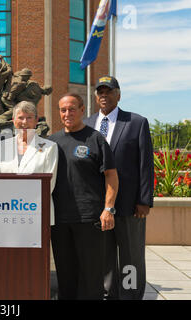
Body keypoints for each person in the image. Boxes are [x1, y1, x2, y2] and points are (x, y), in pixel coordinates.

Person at [84, 76, 154, 300]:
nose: (104, 95)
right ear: (96, 97)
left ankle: (130, 294)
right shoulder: (86, 124)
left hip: (129, 204)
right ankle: (109, 293)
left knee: (130, 254)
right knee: (104, 254)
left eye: (109, 91)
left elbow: (145, 164)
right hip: (97, 205)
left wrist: (144, 200)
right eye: (100, 92)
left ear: (119, 95)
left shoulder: (136, 122)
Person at [48, 93, 118, 300]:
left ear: (81, 110)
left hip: (89, 218)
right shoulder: (52, 142)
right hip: (59, 219)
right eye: (63, 110)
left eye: (71, 109)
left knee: (91, 275)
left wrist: (108, 209)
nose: (67, 113)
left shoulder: (95, 139)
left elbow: (111, 176)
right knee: (65, 273)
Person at [0, 100, 58, 224]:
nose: (24, 122)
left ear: (36, 120)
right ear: (13, 120)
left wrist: (23, 204)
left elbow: (49, 184)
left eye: (29, 118)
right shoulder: (2, 146)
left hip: (37, 211)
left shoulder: (50, 147)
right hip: (7, 211)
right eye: (21, 117)